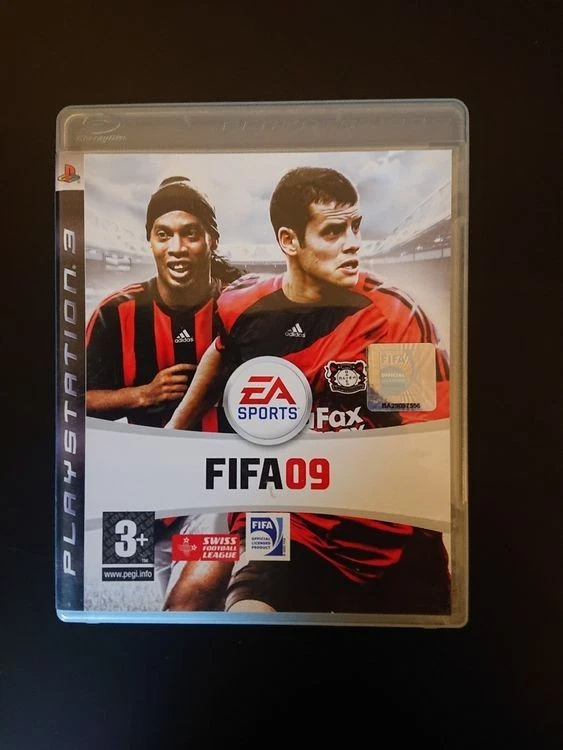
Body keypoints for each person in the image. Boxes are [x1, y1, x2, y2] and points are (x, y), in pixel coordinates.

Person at [165, 167, 451, 615]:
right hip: (288, 524)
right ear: (289, 240)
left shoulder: (389, 320)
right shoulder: (244, 305)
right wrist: (171, 435)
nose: (353, 243)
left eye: (355, 227)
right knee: (239, 618)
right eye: (333, 231)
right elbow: (220, 353)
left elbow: (420, 452)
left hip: (385, 540)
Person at [85, 175, 242, 604]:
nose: (177, 247)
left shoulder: (240, 308)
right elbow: (72, 402)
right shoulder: (115, 314)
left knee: (189, 603)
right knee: (161, 603)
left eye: (190, 233)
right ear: (150, 241)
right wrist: (143, 395)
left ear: (210, 240)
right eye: (163, 234)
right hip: (144, 489)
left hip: (218, 487)